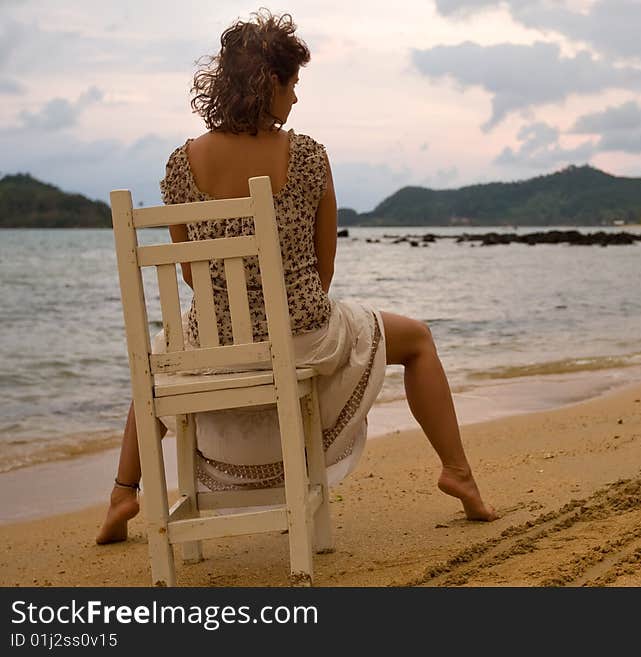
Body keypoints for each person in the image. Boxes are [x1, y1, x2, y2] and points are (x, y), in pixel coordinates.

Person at [96, 10, 496, 545]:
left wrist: (231, 319)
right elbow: (323, 268)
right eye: (293, 84)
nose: (296, 98)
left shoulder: (180, 164)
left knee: (161, 356)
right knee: (419, 340)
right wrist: (286, 315)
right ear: (270, 84)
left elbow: (190, 271)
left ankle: (124, 491)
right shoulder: (306, 156)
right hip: (301, 336)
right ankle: (458, 473)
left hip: (210, 344)